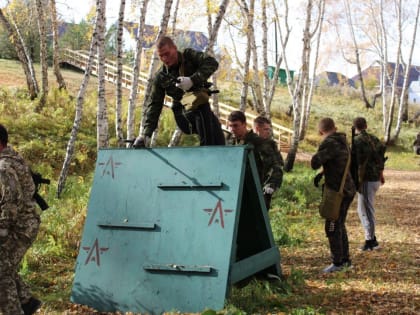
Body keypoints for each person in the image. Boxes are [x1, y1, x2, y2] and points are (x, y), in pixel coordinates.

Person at [133, 36, 225, 147]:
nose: (165, 59)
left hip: (199, 107)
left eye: (167, 54)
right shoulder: (161, 77)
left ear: (175, 48)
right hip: (183, 113)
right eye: (161, 56)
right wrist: (145, 135)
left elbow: (212, 63)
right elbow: (154, 106)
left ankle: (219, 156)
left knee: (217, 132)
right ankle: (205, 152)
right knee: (202, 109)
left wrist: (193, 80)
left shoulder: (189, 56)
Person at [0, 124, 42, 315]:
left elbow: (10, 203)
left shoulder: (4, 167)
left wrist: (1, 232)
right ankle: (26, 302)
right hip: (24, 224)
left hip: (20, 228)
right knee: (5, 265)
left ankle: (16, 310)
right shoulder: (12, 158)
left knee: (1, 271)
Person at [311, 118, 355, 273]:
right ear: (334, 128)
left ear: (321, 131)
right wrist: (323, 172)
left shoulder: (329, 142)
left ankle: (338, 263)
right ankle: (346, 260)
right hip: (347, 188)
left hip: (337, 192)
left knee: (332, 226)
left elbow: (315, 162)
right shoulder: (342, 141)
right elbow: (338, 162)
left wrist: (316, 155)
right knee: (339, 224)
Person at [227, 111, 283, 210]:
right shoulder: (231, 142)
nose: (232, 129)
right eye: (230, 126)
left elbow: (276, 166)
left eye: (236, 126)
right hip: (236, 191)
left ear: (244, 124)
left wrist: (270, 185)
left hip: (256, 191)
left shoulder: (258, 142)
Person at [352, 117, 385, 251]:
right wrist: (381, 174)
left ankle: (370, 241)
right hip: (375, 178)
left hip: (366, 179)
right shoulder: (374, 139)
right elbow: (381, 158)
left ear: (355, 127)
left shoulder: (357, 141)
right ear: (366, 125)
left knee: (366, 210)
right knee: (362, 209)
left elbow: (354, 162)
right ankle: (371, 238)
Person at [253, 116, 284, 209]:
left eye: (269, 129)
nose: (268, 132)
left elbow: (278, 165)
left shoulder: (271, 144)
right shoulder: (248, 144)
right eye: (265, 129)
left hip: (265, 188)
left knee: (263, 214)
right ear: (257, 129)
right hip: (250, 186)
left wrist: (272, 184)